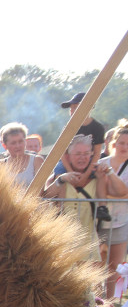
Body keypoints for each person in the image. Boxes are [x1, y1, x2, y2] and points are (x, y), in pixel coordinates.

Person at [43, 134, 124, 262]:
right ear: (68, 156)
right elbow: (46, 195)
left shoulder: (98, 177)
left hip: (88, 240)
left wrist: (109, 172)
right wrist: (61, 179)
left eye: (86, 153)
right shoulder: (58, 176)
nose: (83, 157)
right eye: (78, 154)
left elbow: (121, 192)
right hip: (61, 239)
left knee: (94, 281)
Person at [97, 126, 128, 296]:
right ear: (114, 143)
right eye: (121, 143)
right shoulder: (102, 162)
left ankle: (109, 304)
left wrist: (109, 193)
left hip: (122, 221)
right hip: (100, 221)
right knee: (97, 265)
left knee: (114, 267)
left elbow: (126, 193)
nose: (124, 147)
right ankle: (94, 304)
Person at [61, 92, 105, 168]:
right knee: (57, 174)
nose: (72, 111)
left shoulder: (98, 128)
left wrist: (86, 175)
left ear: (88, 108)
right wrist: (70, 171)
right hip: (69, 164)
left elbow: (97, 154)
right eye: (71, 108)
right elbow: (62, 153)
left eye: (75, 107)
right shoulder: (68, 128)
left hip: (89, 164)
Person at [0, 122, 43, 189]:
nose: (18, 146)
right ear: (5, 145)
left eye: (20, 141)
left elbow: (40, 189)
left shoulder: (36, 161)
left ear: (25, 142)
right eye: (13, 143)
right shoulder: (0, 165)